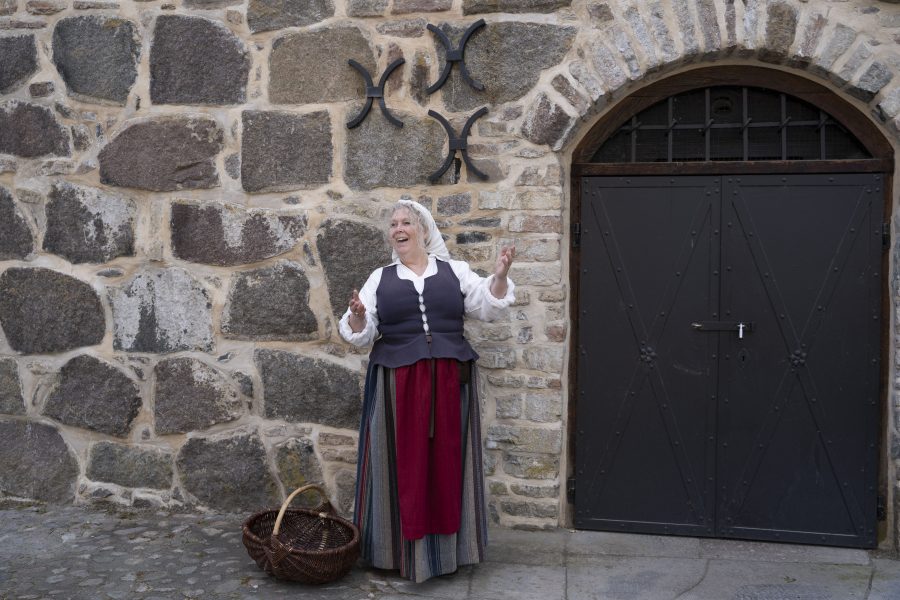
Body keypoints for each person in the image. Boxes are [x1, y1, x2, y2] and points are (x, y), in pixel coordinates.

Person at [339, 199, 515, 583]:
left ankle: (448, 555)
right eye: (393, 224)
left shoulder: (455, 271)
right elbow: (360, 331)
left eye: (405, 222)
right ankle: (395, 554)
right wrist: (356, 313)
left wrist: (500, 275)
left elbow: (488, 303)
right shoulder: (379, 278)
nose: (398, 229)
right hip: (396, 387)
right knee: (402, 466)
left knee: (447, 466)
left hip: (450, 382)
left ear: (423, 229)